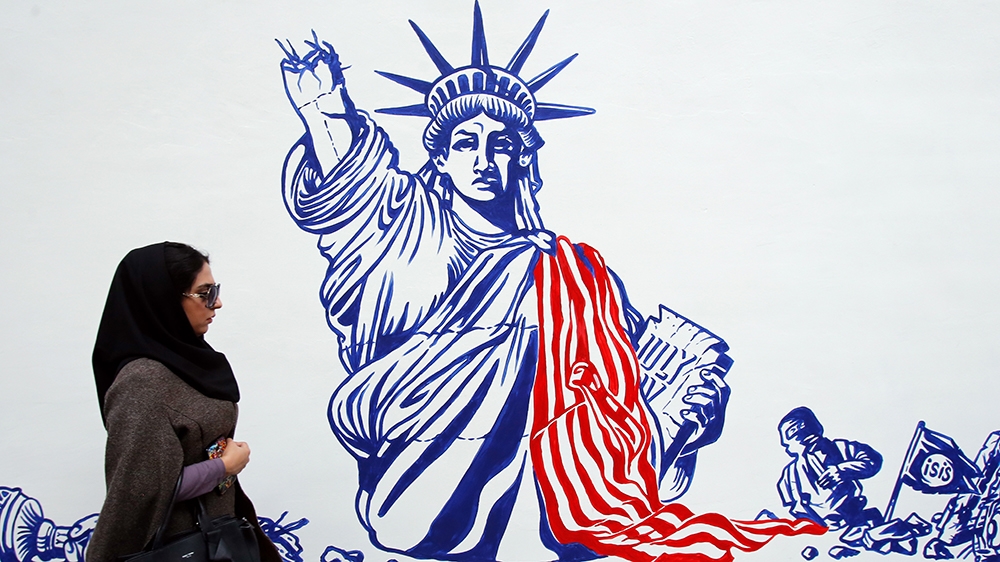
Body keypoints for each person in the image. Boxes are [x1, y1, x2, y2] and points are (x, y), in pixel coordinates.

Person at [279, 5, 823, 561]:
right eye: (466, 143)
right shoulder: (407, 228)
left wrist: (689, 407)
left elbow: (626, 391)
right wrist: (325, 114)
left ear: (523, 159)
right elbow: (355, 192)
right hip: (417, 472)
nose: (485, 159)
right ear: (440, 160)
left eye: (502, 144)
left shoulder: (575, 271)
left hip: (558, 499)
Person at [85, 242, 279, 562]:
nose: (217, 304)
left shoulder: (185, 362)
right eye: (205, 293)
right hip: (183, 548)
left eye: (215, 290)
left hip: (217, 539)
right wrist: (224, 467)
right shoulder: (142, 383)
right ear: (163, 299)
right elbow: (141, 492)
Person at [777, 406, 883, 530]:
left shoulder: (841, 448)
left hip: (856, 520)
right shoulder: (789, 474)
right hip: (819, 530)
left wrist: (842, 471)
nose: (784, 442)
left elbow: (873, 461)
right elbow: (788, 507)